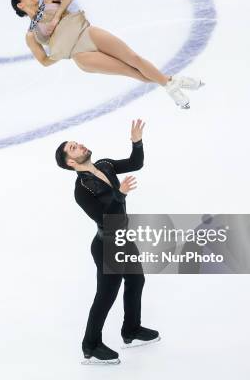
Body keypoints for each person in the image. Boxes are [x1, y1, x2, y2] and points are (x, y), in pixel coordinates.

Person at [55, 119, 161, 365]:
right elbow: (107, 219)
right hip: (106, 245)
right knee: (106, 294)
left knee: (137, 279)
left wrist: (136, 142)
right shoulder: (81, 189)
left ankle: (131, 330)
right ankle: (90, 345)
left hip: (123, 238)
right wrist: (120, 194)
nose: (79, 146)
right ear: (70, 163)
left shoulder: (105, 164)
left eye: (76, 143)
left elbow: (136, 163)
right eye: (73, 148)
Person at [11, 0, 204, 109]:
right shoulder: (31, 35)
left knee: (134, 59)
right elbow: (44, 61)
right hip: (80, 54)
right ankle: (172, 82)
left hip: (88, 33)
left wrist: (57, 15)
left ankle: (171, 83)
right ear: (20, 5)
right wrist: (59, 51)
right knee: (132, 72)